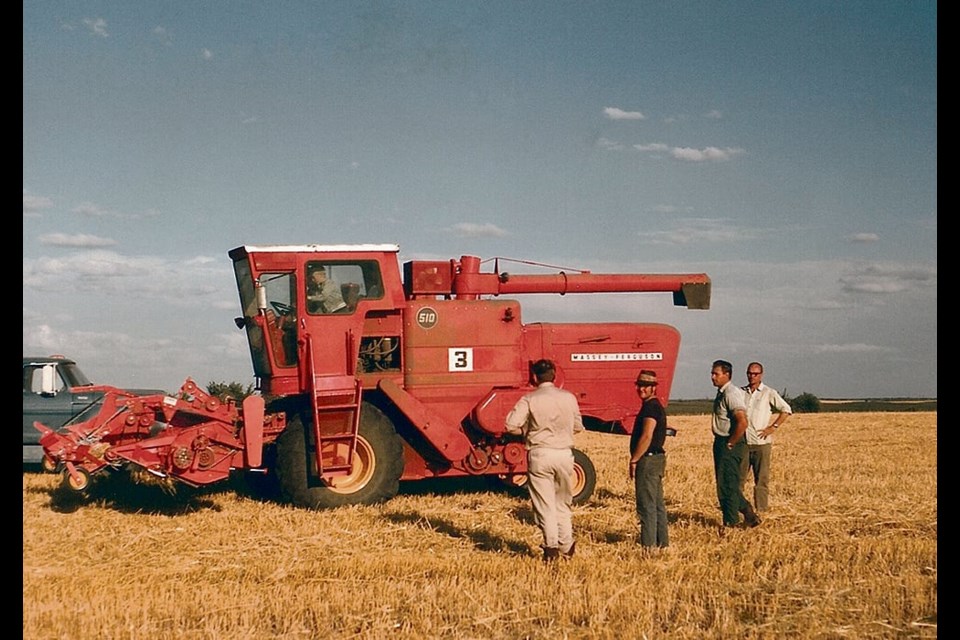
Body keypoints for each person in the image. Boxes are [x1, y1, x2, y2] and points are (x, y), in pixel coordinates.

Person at [505, 359, 585, 562]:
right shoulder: (569, 398)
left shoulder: (530, 399)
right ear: (555, 375)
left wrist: (526, 431)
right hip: (564, 454)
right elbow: (578, 426)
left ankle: (551, 548)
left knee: (545, 505)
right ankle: (567, 545)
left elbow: (510, 425)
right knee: (563, 503)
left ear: (534, 377)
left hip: (540, 453)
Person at [710, 359, 761, 531]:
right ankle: (749, 514)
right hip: (723, 442)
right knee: (727, 484)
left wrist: (731, 442)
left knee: (727, 487)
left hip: (729, 442)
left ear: (727, 374)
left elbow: (742, 421)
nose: (712, 377)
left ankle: (731, 523)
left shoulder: (731, 393)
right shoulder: (723, 392)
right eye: (712, 373)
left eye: (716, 374)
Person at [739, 362, 792, 512]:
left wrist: (773, 427)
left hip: (761, 443)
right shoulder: (741, 392)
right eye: (749, 373)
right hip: (743, 443)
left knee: (761, 480)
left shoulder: (768, 393)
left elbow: (786, 410)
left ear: (761, 375)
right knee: (739, 480)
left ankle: (761, 510)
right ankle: (740, 510)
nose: (751, 376)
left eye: (755, 374)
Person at [628, 369, 669, 549]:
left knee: (646, 506)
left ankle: (649, 547)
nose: (641, 389)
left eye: (646, 386)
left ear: (654, 388)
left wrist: (634, 460)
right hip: (657, 459)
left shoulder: (650, 407)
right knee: (657, 504)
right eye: (640, 385)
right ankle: (662, 544)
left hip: (648, 460)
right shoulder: (655, 406)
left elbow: (646, 436)